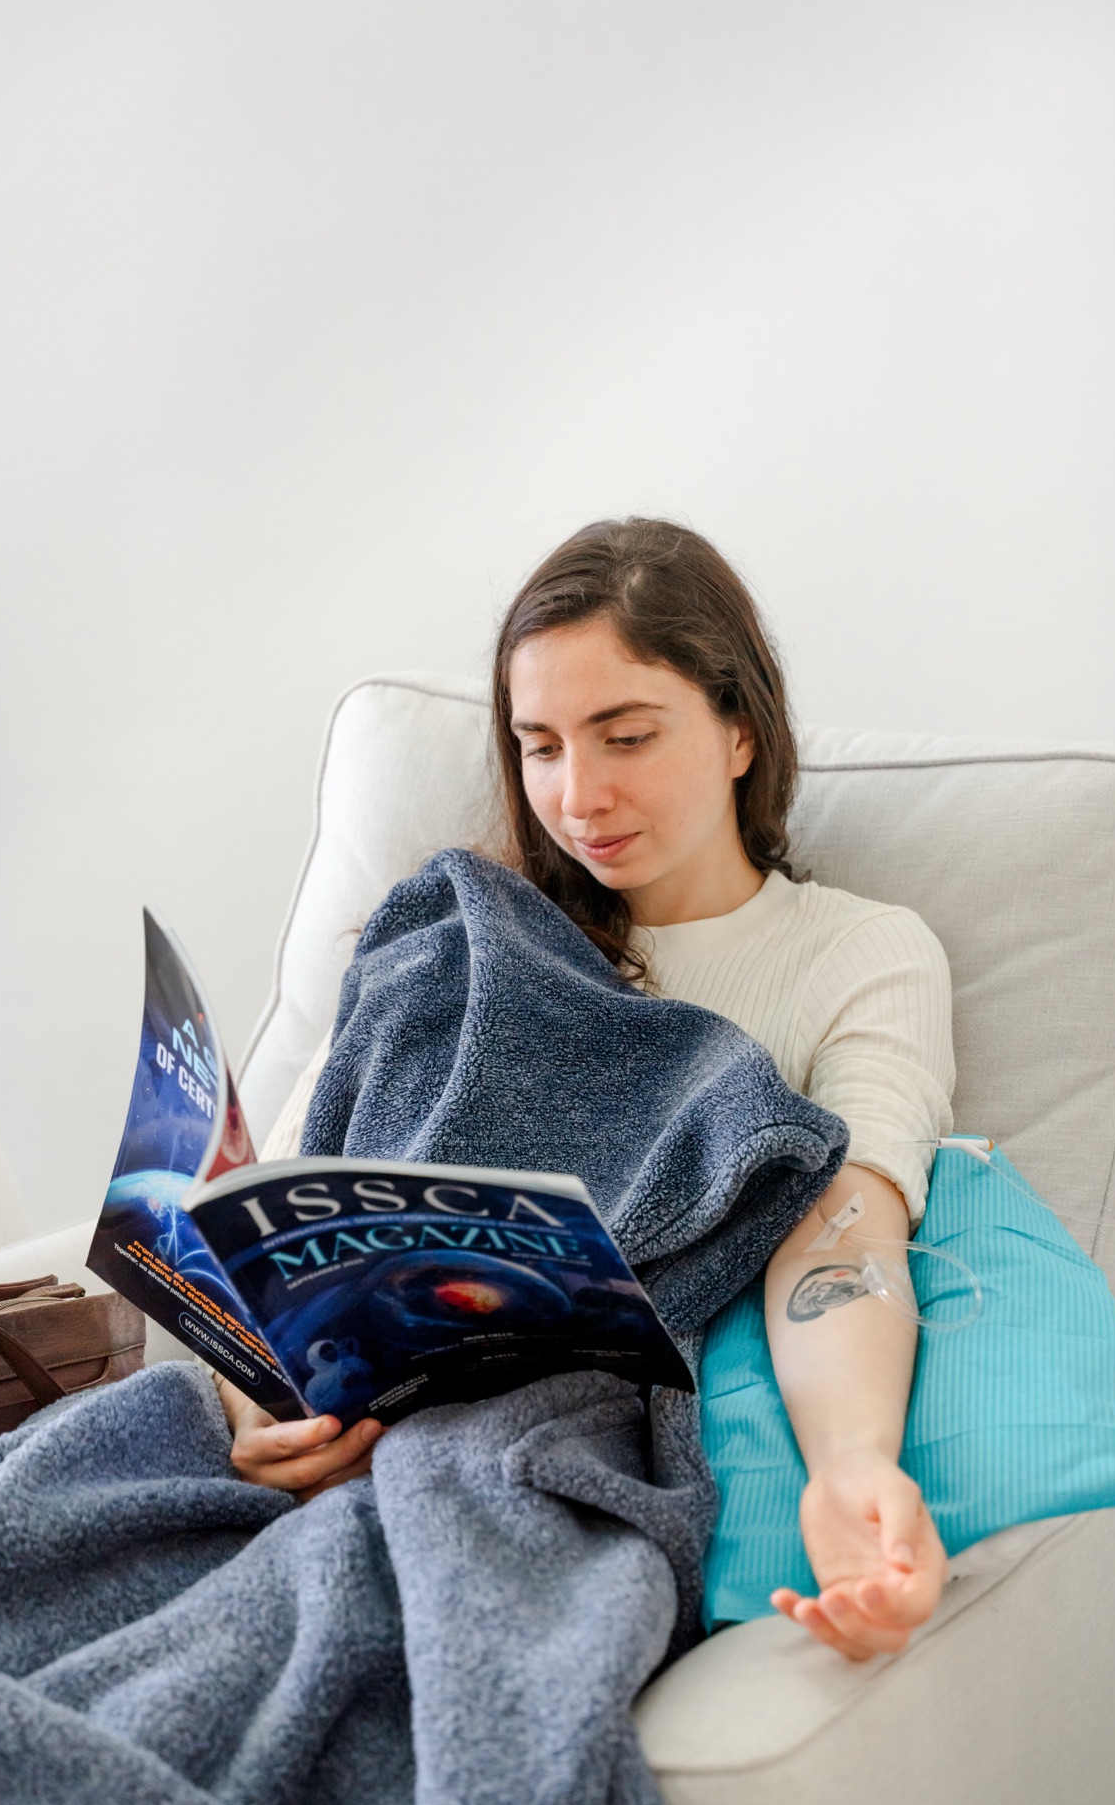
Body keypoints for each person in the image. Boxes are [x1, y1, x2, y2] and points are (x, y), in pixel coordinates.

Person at [217, 517, 955, 1662]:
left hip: (531, 1452)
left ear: (739, 731)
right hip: (334, 1439)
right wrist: (251, 1407)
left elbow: (843, 1230)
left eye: (624, 737)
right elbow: (277, 1206)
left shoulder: (856, 954)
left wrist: (852, 1459)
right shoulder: (457, 932)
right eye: (541, 746)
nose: (578, 796)